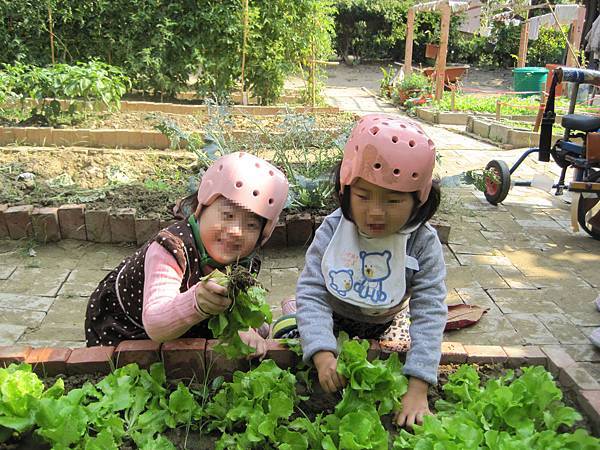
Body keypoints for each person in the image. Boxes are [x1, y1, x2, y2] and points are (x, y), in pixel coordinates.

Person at [294, 113, 447, 429]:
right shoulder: (334, 230)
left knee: (404, 344)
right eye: (363, 196)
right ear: (346, 186)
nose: (375, 212)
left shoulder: (421, 242)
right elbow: (312, 292)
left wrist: (418, 387)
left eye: (393, 200)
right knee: (291, 329)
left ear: (419, 199)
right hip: (334, 317)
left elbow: (430, 311)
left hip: (386, 320)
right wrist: (323, 354)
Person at [84, 152, 289, 359]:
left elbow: (245, 313)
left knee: (260, 328)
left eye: (251, 225)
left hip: (186, 321)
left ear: (263, 234)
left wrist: (244, 327)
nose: (237, 230)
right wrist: (197, 302)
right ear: (202, 208)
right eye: (227, 215)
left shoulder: (243, 260)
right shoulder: (171, 249)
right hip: (129, 329)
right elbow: (155, 324)